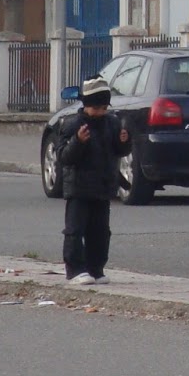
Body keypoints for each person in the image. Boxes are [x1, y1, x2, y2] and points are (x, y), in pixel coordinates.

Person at [57, 78, 130, 285]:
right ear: (86, 105)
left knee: (100, 231)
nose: (100, 112)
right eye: (96, 108)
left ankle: (96, 268)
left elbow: (119, 150)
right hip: (79, 187)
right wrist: (77, 142)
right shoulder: (73, 125)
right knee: (75, 229)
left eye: (104, 108)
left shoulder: (112, 122)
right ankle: (75, 269)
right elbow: (64, 157)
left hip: (103, 186)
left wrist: (125, 141)